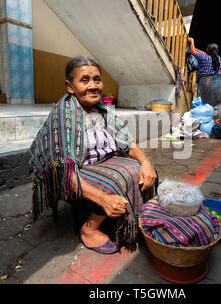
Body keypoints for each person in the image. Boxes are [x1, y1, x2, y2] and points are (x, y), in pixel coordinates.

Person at [29, 57, 158, 254]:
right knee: (117, 180)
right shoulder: (64, 116)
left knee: (142, 169)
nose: (93, 86)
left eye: (97, 79)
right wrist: (104, 199)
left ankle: (138, 214)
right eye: (85, 80)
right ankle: (89, 228)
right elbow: (63, 173)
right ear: (70, 86)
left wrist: (146, 162)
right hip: (73, 171)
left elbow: (128, 142)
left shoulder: (102, 110)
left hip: (102, 162)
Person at [188, 37, 221, 117]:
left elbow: (193, 51)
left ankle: (204, 119)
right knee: (216, 103)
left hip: (206, 81)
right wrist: (197, 49)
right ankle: (216, 120)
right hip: (217, 82)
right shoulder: (218, 59)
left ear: (208, 50)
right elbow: (204, 53)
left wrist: (192, 41)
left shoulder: (203, 57)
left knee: (205, 103)